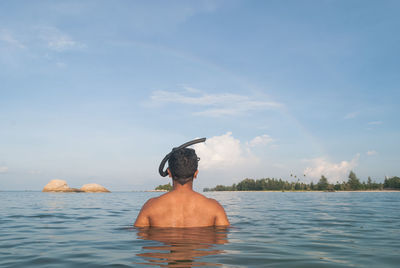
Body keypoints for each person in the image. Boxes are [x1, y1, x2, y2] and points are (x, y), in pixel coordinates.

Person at [134, 147, 230, 227]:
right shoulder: (214, 207)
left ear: (169, 172)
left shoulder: (151, 206)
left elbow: (140, 240)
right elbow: (222, 244)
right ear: (196, 173)